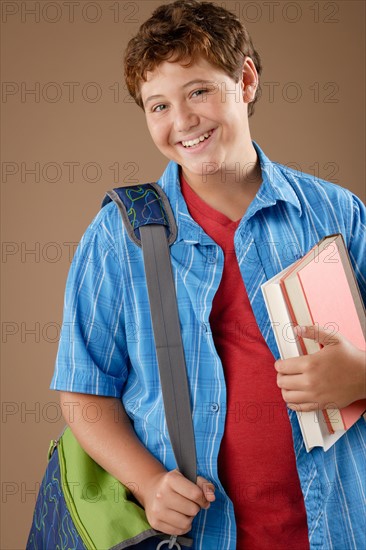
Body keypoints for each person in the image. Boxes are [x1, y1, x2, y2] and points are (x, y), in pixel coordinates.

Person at [51, 1, 366, 548]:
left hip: (337, 527)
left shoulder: (337, 214)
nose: (182, 121)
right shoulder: (118, 236)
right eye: (158, 105)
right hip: (197, 536)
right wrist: (148, 484)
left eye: (198, 91)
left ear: (244, 80)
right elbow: (84, 393)